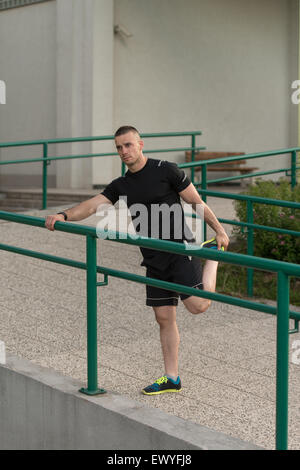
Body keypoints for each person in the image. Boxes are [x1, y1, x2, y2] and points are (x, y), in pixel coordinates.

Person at [45, 126, 229, 395]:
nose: (124, 152)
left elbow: (196, 202)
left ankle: (212, 255)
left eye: (128, 145)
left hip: (179, 248)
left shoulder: (166, 170)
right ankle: (172, 378)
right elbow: (93, 205)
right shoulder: (122, 185)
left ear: (141, 144)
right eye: (119, 147)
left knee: (198, 306)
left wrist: (219, 230)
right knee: (164, 317)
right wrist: (63, 215)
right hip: (153, 257)